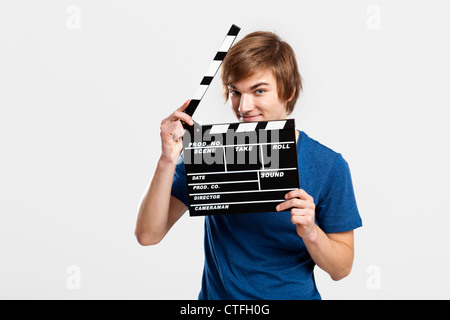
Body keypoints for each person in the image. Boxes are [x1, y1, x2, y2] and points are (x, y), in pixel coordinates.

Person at [135, 31, 362, 299]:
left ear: (288, 91)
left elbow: (342, 268)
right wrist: (166, 161)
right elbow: (148, 235)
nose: (243, 106)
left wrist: (311, 232)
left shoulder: (329, 165)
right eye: (235, 92)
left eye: (259, 91)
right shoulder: (211, 153)